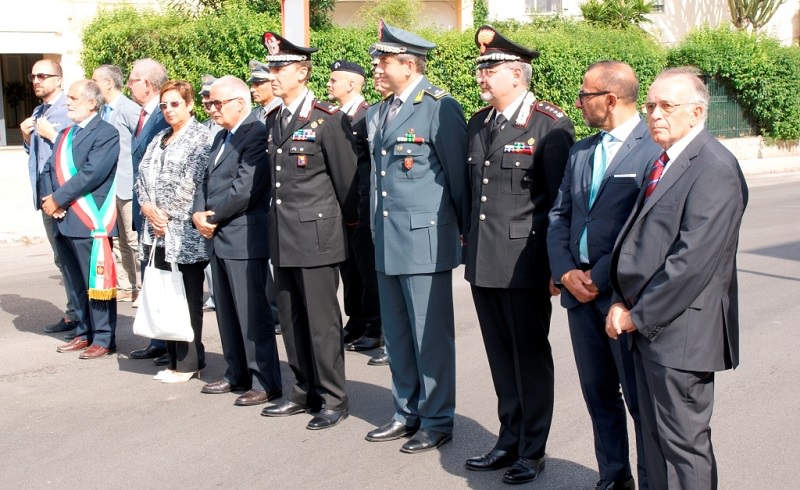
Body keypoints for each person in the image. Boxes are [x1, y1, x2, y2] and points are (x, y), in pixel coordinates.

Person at [606, 67, 748, 490]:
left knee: (683, 447)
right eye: (651, 105)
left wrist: (636, 315)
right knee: (651, 441)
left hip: (680, 334)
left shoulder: (715, 167)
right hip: (647, 326)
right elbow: (635, 241)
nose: (655, 114)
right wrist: (618, 298)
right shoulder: (664, 160)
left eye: (667, 106)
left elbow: (691, 264)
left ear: (697, 112)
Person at [462, 26, 575, 483]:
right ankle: (508, 439)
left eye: (489, 70)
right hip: (483, 263)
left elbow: (560, 204)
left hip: (525, 264)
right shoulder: (479, 122)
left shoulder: (549, 124)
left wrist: (556, 266)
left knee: (529, 357)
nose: (480, 77)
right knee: (499, 357)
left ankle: (533, 448)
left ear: (516, 72)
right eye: (480, 69)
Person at [547, 60, 660, 490]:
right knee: (599, 396)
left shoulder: (652, 149)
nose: (578, 102)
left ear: (610, 99)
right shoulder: (581, 150)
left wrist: (599, 273)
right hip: (580, 297)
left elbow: (648, 228)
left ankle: (652, 481)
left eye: (585, 94)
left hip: (623, 298)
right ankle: (614, 478)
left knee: (639, 401)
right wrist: (565, 271)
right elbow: (560, 216)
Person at [364, 20, 468, 454]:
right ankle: (405, 411)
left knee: (430, 336)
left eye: (383, 61)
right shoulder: (380, 109)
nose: (377, 68)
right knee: (398, 334)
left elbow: (458, 179)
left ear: (408, 64)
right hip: (387, 238)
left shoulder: (439, 107)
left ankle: (437, 417)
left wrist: (463, 237)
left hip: (425, 241)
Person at [258, 32, 358, 431]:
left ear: (302, 71)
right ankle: (302, 390)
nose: (273, 75)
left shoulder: (326, 120)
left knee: (322, 322)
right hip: (282, 235)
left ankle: (334, 397)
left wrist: (344, 229)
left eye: (279, 68)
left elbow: (347, 182)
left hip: (317, 237)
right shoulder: (275, 117)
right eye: (271, 68)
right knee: (291, 316)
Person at [192, 75, 282, 407]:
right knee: (228, 312)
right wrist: (198, 213)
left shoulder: (255, 134)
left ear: (240, 103)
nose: (212, 109)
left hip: (243, 237)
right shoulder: (222, 137)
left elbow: (245, 189)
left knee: (252, 314)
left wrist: (211, 219)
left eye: (218, 103)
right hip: (218, 235)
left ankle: (264, 380)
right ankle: (236, 373)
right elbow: (206, 181)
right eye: (210, 104)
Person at [136, 80, 211, 382]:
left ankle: (189, 363)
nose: (168, 110)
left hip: (184, 234)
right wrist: (146, 206)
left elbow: (194, 183)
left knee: (186, 299)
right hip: (156, 232)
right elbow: (142, 175)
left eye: (175, 103)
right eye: (164, 105)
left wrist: (164, 214)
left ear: (190, 104)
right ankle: (172, 358)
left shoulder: (200, 137)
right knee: (164, 296)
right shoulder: (159, 138)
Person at [40, 79, 120, 359]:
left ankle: (103, 337)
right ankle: (83, 332)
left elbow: (91, 173)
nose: (68, 102)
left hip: (89, 219)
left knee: (95, 282)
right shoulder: (65, 134)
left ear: (91, 102)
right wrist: (49, 200)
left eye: (73, 98)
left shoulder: (106, 133)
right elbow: (49, 169)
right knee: (74, 281)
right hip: (63, 216)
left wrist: (58, 199)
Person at [326, 59, 383, 353]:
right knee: (349, 269)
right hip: (339, 207)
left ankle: (375, 325)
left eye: (334, 80)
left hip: (361, 204)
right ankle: (357, 319)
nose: (328, 84)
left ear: (351, 84)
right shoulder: (334, 116)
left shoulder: (366, 115)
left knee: (367, 269)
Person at [20, 59, 79, 338]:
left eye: (42, 76)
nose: (36, 81)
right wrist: (24, 136)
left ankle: (82, 316)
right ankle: (74, 312)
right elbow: (37, 154)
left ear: (58, 79)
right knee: (61, 259)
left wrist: (53, 135)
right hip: (45, 196)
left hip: (64, 197)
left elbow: (75, 152)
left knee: (73, 259)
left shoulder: (68, 109)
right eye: (33, 76)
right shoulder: (39, 110)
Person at [127, 58, 170, 364]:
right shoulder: (143, 115)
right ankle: (157, 338)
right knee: (149, 275)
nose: (129, 85)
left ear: (148, 83)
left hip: (159, 212)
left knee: (162, 276)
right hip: (144, 207)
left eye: (132, 80)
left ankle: (169, 342)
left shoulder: (164, 113)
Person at [91, 64, 142, 304]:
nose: (92, 85)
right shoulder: (102, 111)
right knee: (118, 239)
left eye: (96, 80)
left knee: (133, 239)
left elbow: (142, 142)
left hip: (128, 183)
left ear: (109, 83)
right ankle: (125, 285)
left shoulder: (129, 108)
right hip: (109, 185)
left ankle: (141, 287)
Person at [246, 60, 281, 333]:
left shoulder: (279, 113)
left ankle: (278, 310)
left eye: (259, 83)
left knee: (276, 259)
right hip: (262, 196)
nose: (253, 88)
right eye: (252, 84)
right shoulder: (259, 115)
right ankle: (271, 309)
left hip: (276, 194)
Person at [364, 54, 393, 367]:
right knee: (383, 285)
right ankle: (390, 341)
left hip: (409, 223)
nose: (377, 72)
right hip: (376, 209)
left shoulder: (434, 106)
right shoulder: (373, 113)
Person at [198, 73, 220, 314]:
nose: (207, 103)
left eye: (210, 97)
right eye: (204, 98)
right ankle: (214, 295)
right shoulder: (204, 127)